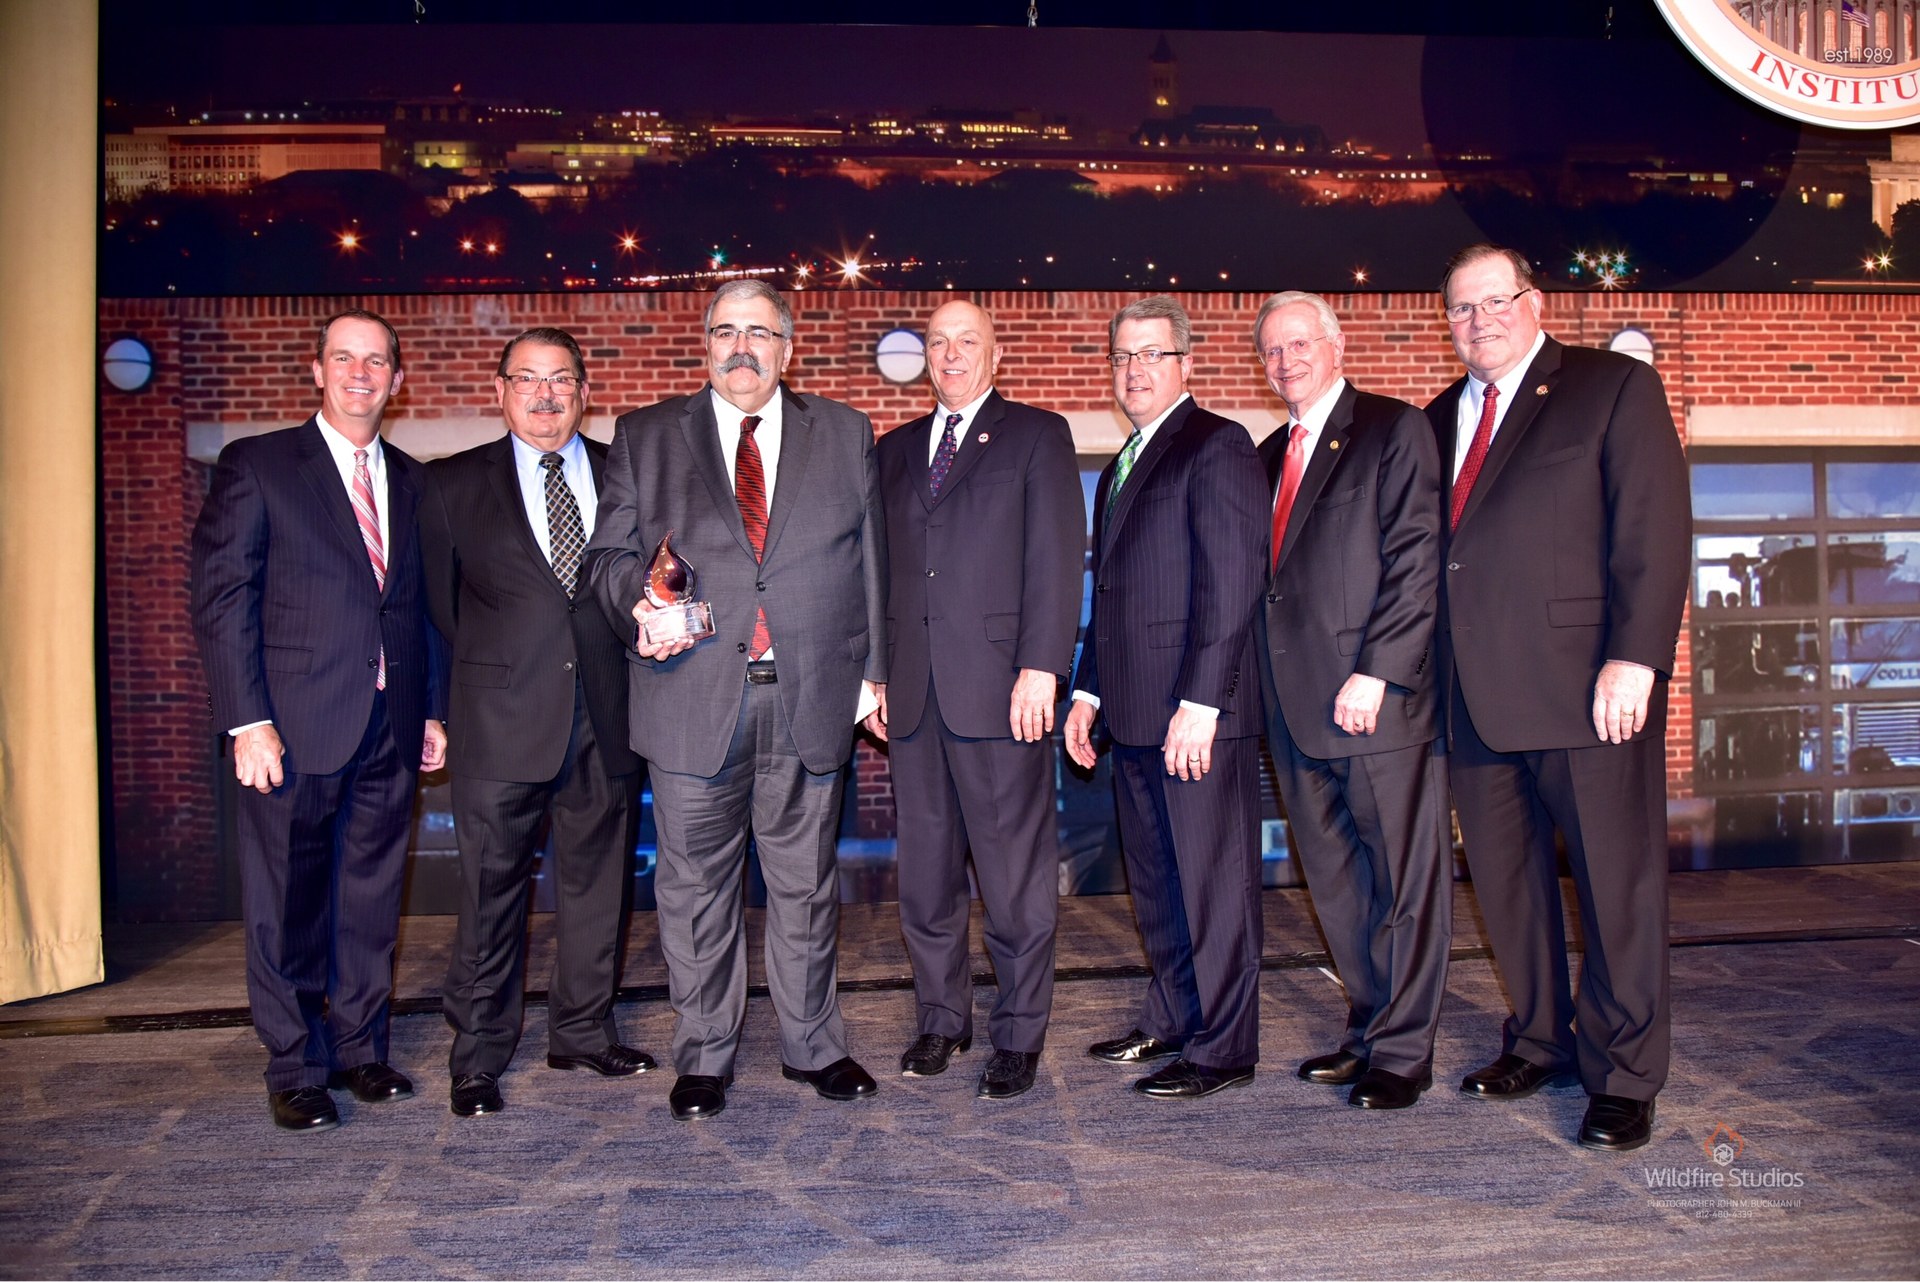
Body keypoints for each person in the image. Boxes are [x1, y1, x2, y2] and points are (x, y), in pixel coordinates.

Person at [585, 279, 888, 1121]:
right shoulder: (646, 435)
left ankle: (814, 1046)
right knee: (693, 891)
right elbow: (608, 557)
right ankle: (704, 1054)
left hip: (811, 695)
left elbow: (872, 560)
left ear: (787, 348)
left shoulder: (846, 431)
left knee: (806, 886)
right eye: (726, 331)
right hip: (689, 695)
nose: (741, 348)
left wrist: (877, 673)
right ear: (705, 343)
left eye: (759, 332)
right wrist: (638, 606)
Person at [1425, 244, 1690, 1151]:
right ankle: (1541, 1040)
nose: (1480, 320)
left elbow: (1654, 529)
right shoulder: (1437, 419)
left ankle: (1624, 1076)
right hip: (1472, 701)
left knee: (1617, 891)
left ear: (1533, 302)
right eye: (1462, 308)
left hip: (1589, 694)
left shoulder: (1611, 387)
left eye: (1496, 300)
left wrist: (1636, 659)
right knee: (1509, 892)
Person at [190, 308, 446, 1133]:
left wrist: (433, 709)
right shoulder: (260, 464)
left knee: (370, 901)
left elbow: (421, 609)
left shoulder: (414, 480)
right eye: (344, 358)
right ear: (317, 370)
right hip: (291, 728)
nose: (359, 373)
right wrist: (247, 720)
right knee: (287, 903)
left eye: (375, 361)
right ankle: (296, 1066)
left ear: (397, 379)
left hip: (390, 723)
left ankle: (361, 1050)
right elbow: (224, 598)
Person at [420, 328, 654, 1119]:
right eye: (527, 378)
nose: (545, 395)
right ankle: (478, 1055)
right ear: (501, 391)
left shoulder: (627, 472)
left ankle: (582, 1031)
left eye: (560, 380)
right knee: (490, 896)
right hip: (499, 722)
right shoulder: (450, 484)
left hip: (608, 716)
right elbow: (437, 611)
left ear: (584, 393)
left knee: (598, 889)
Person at [873, 300, 1084, 1099]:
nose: (952, 354)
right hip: (914, 695)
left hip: (1003, 693)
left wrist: (1042, 668)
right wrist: (874, 674)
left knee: (1014, 880)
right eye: (939, 342)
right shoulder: (893, 451)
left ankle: (1019, 1034)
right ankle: (941, 1019)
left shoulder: (1036, 435)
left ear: (997, 356)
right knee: (926, 879)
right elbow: (877, 574)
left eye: (969, 342)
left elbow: (1057, 560)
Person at [1063, 295, 1270, 1099]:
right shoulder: (1125, 460)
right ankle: (1174, 1018)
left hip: (1194, 719)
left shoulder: (1217, 444)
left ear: (1186, 363)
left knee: (1215, 889)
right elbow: (1113, 595)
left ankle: (1225, 1049)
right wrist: (1087, 691)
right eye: (1123, 356)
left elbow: (1231, 585)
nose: (1135, 370)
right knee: (1158, 885)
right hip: (1134, 715)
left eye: (1152, 354)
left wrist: (1203, 704)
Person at [1251, 292, 1451, 1111]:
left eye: (1301, 343)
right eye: (1273, 351)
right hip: (1294, 711)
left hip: (1374, 701)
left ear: (1337, 346)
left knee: (1402, 883)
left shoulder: (1392, 429)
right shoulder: (1268, 454)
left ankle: (1404, 1053)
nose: (1287, 361)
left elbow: (1416, 558)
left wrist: (1379, 671)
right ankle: (1368, 1028)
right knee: (1336, 886)